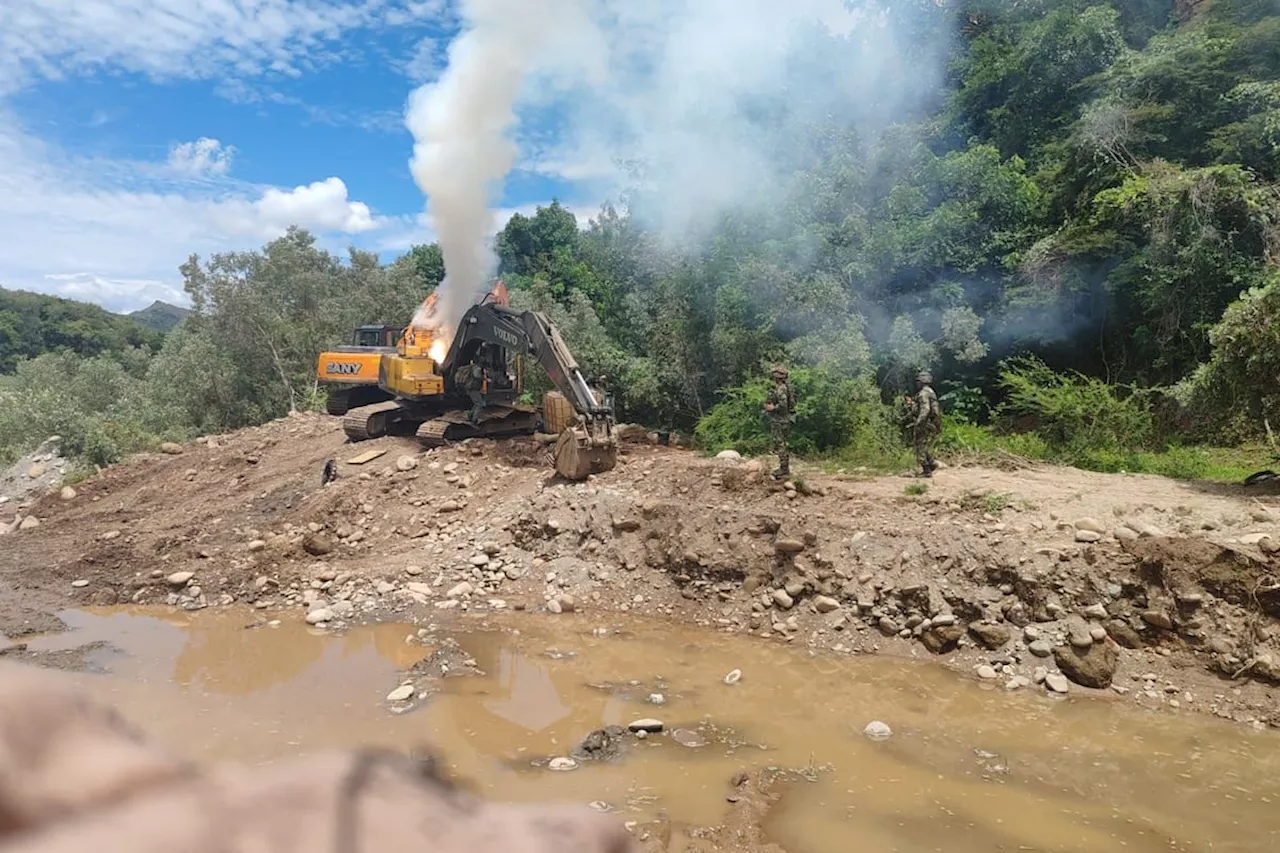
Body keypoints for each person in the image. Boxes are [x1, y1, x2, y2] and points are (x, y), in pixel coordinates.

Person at [762, 364, 797, 480]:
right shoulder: (787, 387)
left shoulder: (781, 388)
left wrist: (772, 408)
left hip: (780, 420)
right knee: (782, 444)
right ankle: (784, 468)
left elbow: (783, 405)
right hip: (785, 419)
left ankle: (784, 469)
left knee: (780, 444)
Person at [912, 369, 942, 477]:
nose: (917, 383)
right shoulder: (930, 391)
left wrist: (919, 422)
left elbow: (925, 409)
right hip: (931, 422)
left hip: (925, 422)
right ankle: (931, 463)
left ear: (921, 382)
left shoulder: (923, 393)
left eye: (918, 381)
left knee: (919, 444)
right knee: (923, 445)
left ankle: (926, 470)